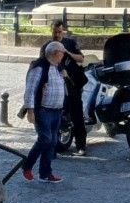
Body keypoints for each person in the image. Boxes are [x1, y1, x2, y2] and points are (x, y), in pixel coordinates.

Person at [20, 40, 68, 182]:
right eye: (62, 53)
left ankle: (45, 173)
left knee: (52, 142)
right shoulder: (39, 67)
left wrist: (64, 77)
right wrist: (30, 111)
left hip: (56, 111)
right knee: (45, 139)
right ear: (54, 53)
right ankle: (27, 165)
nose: (63, 56)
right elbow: (30, 90)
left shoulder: (57, 67)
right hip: (43, 110)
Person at [50, 19, 87, 154]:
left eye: (60, 32)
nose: (58, 35)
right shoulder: (47, 46)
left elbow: (81, 58)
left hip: (72, 85)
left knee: (77, 114)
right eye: (55, 32)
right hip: (55, 87)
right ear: (51, 31)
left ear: (63, 32)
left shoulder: (70, 43)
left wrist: (69, 53)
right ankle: (55, 144)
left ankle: (81, 145)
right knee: (55, 115)